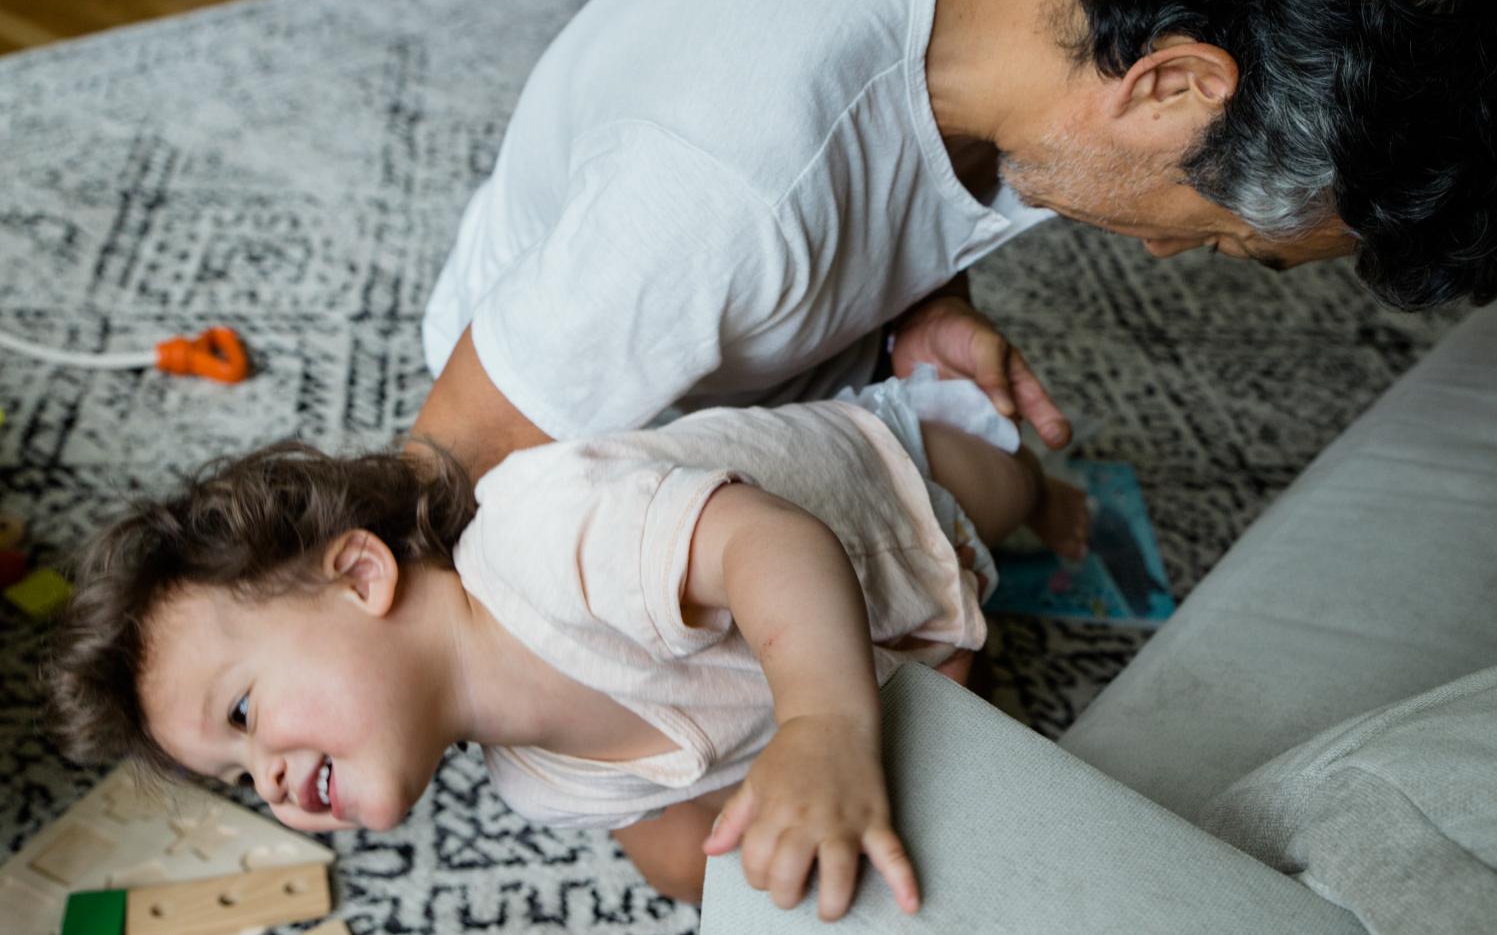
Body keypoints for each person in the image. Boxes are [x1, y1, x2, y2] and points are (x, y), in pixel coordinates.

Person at [413, 0, 1497, 485]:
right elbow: (440, 460)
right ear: (1172, 83)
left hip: (735, 304)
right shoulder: (721, 194)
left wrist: (925, 297)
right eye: (1226, 233)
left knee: (985, 488)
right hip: (572, 396)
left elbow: (892, 148)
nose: (1175, 252)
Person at [44, 373, 1089, 919]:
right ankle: (925, 670)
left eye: (243, 716)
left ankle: (1044, 497)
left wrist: (820, 723)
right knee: (698, 860)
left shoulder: (546, 533)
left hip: (897, 499)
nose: (270, 779)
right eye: (239, 779)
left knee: (995, 492)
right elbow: (678, 797)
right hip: (863, 648)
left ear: (361, 576)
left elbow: (778, 544)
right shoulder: (537, 785)